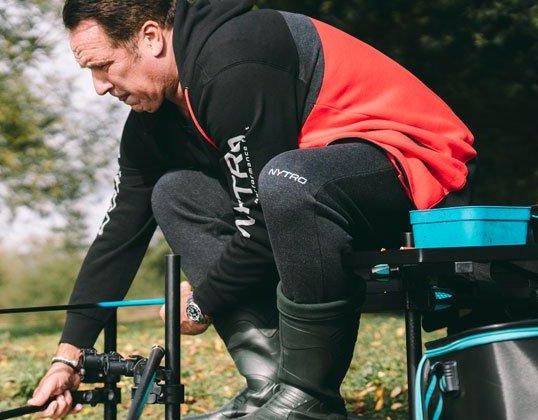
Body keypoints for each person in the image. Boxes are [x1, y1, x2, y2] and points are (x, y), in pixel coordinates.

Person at [27, 0, 475, 418]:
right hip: (306, 197)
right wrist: (68, 357)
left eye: (103, 66)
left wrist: (201, 303)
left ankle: (309, 400)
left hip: (412, 169)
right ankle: (269, 386)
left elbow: (260, 222)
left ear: (150, 38)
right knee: (175, 193)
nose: (99, 88)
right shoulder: (154, 120)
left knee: (286, 181)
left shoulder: (236, 59)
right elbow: (119, 234)